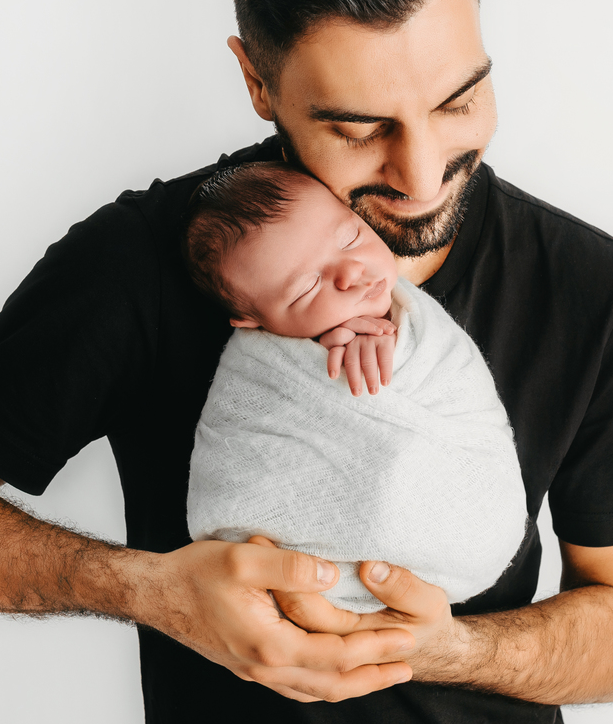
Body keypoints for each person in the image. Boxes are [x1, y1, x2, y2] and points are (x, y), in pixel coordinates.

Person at [0, 0, 613, 721]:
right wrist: (149, 589)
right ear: (256, 80)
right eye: (360, 129)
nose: (424, 175)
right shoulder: (142, 262)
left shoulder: (596, 289)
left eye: (457, 100)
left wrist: (447, 649)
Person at [182, 161, 529, 614]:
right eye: (308, 287)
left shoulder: (420, 328)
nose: (350, 273)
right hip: (291, 586)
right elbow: (240, 478)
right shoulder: (258, 372)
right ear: (253, 322)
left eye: (350, 237)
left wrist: (394, 347)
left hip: (466, 537)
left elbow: (455, 389)